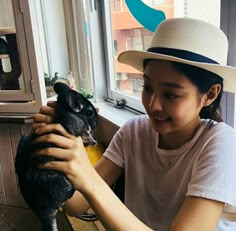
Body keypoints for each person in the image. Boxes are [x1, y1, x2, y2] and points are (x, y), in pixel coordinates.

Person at [32, 18, 236, 231]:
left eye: (170, 94)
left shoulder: (221, 143)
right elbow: (75, 204)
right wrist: (52, 148)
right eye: (147, 87)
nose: (153, 104)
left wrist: (88, 176)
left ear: (210, 94)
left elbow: (90, 185)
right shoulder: (134, 132)